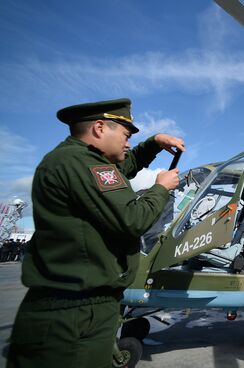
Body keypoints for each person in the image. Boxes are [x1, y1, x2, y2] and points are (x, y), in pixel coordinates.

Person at [7, 98, 185, 368]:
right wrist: (161, 188)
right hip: (76, 314)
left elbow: (124, 166)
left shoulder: (76, 160)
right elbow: (133, 219)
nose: (127, 143)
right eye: (126, 135)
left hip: (77, 307)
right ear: (100, 128)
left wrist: (154, 143)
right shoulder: (83, 163)